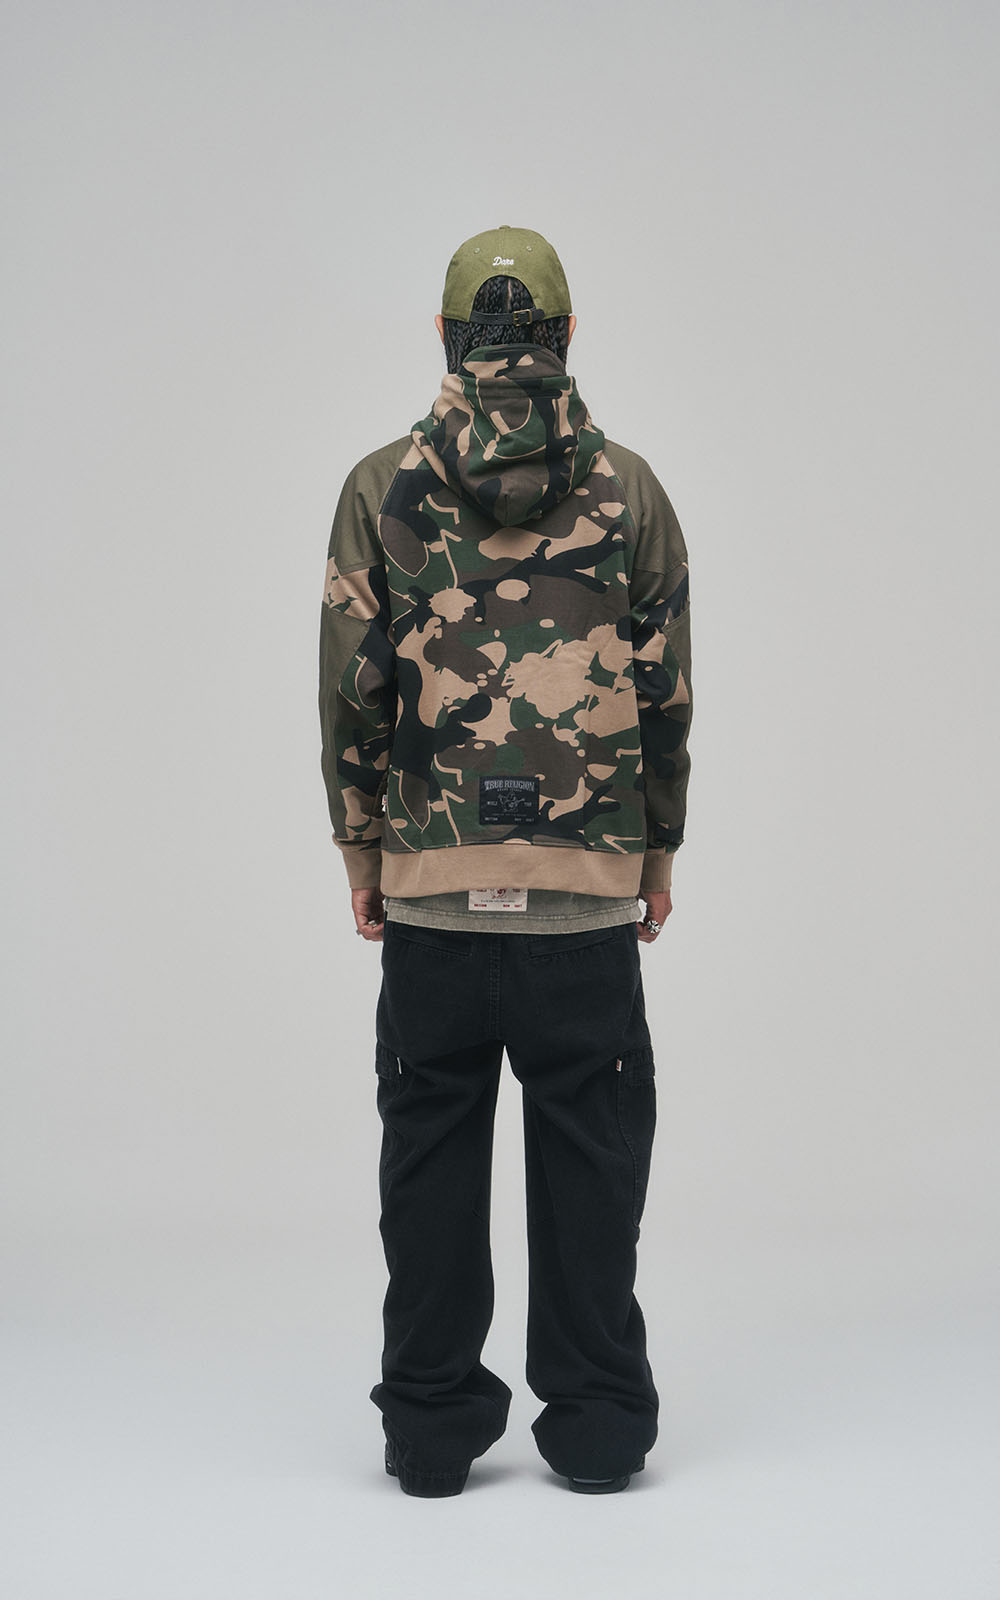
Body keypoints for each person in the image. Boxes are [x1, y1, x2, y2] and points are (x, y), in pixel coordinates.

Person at [318, 224, 693, 1497]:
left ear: (444, 337)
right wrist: (655, 850)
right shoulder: (630, 487)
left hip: (432, 899)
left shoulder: (379, 485)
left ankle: (429, 1433)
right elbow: (664, 687)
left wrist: (363, 850)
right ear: (567, 335)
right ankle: (596, 1427)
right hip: (584, 906)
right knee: (591, 1164)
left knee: (427, 1165)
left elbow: (352, 689)